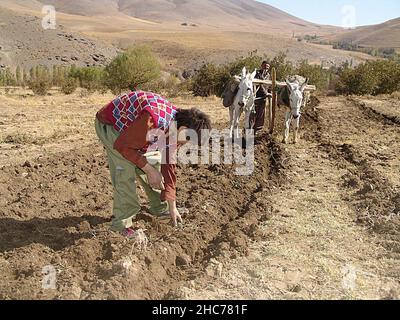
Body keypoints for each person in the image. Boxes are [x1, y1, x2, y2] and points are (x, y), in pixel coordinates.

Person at [95, 90, 212, 238]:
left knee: (152, 163)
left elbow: (169, 166)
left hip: (135, 132)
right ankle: (120, 226)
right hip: (111, 126)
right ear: (184, 129)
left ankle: (160, 208)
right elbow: (123, 146)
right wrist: (149, 170)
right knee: (125, 168)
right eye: (188, 140)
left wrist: (172, 206)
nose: (186, 144)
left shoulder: (176, 127)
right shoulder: (154, 119)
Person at [250, 61, 272, 133]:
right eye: (265, 66)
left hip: (263, 98)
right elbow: (259, 84)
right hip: (255, 97)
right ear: (261, 66)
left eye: (267, 67)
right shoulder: (257, 73)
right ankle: (249, 129)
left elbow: (269, 86)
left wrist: (270, 93)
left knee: (261, 114)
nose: (266, 68)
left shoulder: (268, 75)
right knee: (253, 113)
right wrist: (266, 93)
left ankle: (257, 129)